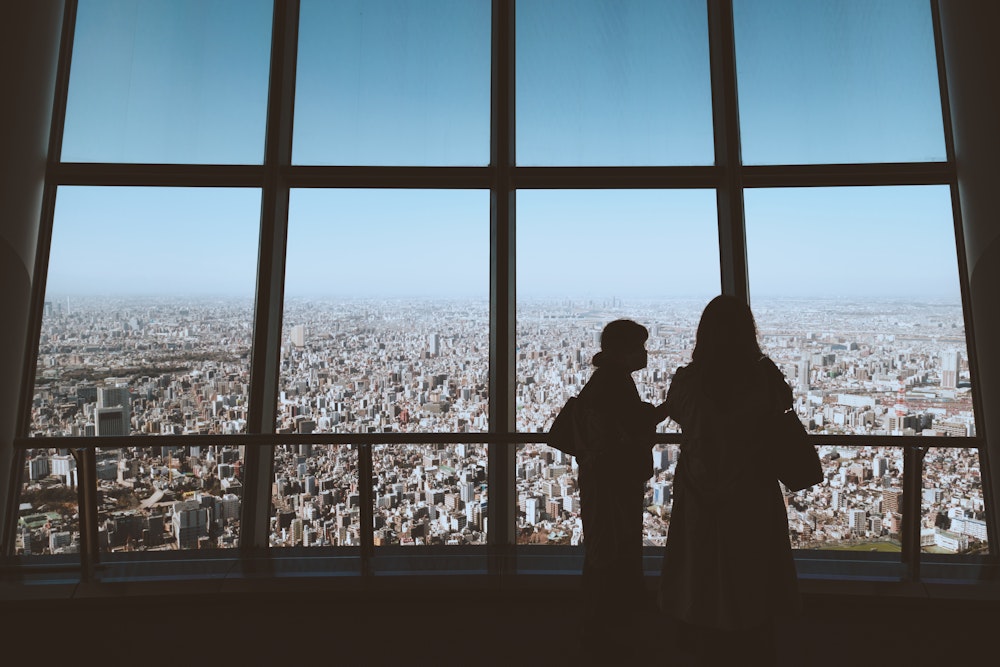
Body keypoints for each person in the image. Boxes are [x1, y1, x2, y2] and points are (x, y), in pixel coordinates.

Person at [659, 295, 801, 666]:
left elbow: (676, 410)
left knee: (701, 563)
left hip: (699, 488)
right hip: (751, 488)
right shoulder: (763, 377)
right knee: (750, 563)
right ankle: (752, 635)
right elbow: (783, 407)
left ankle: (702, 637)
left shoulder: (688, 381)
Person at [573, 319, 669, 657]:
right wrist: (669, 407)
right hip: (611, 483)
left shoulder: (608, 380)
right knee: (611, 550)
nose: (645, 353)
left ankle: (599, 629)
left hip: (605, 480)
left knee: (606, 550)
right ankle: (601, 633)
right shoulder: (614, 383)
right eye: (639, 347)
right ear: (623, 352)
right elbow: (632, 425)